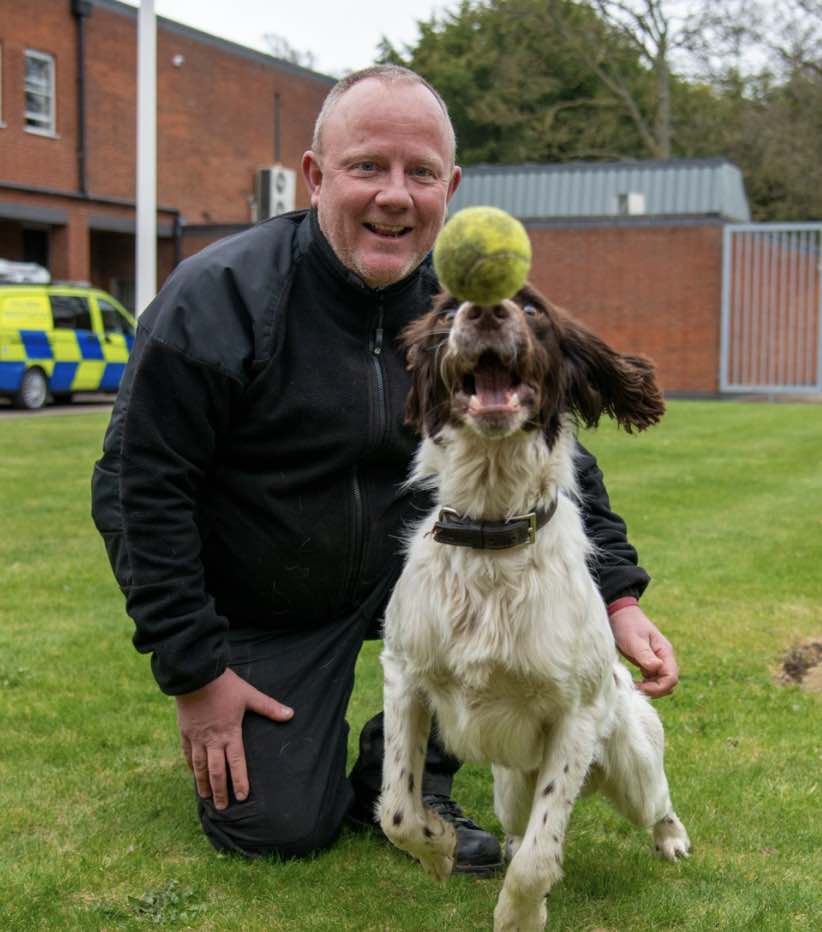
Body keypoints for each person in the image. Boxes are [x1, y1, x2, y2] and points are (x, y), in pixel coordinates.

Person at [91, 64, 678, 872]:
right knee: (279, 827)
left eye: (421, 172)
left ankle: (411, 771)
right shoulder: (218, 295)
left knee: (490, 609)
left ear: (451, 186)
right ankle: (321, 748)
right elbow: (137, 488)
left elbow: (557, 455)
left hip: (427, 577)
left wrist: (616, 594)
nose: (395, 195)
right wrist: (196, 671)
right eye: (367, 165)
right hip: (273, 596)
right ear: (315, 175)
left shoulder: (466, 308)